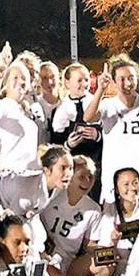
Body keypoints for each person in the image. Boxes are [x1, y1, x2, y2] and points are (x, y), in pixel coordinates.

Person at [84, 55, 139, 207]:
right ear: (114, 82)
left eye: (131, 77)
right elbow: (88, 117)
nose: (127, 83)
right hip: (115, 175)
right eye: (122, 79)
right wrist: (101, 89)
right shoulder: (109, 105)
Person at [39, 154, 111, 276]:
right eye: (82, 176)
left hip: (67, 263)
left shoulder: (93, 209)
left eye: (91, 177)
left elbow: (89, 246)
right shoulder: (53, 193)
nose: (87, 181)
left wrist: (108, 248)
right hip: (41, 255)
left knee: (108, 259)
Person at [0, 44, 46, 173]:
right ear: (6, 82)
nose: (20, 81)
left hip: (31, 174)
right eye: (15, 77)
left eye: (24, 78)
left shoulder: (26, 109)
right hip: (11, 176)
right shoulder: (5, 105)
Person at [52, 63, 102, 200]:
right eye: (79, 80)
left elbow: (109, 132)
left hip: (96, 164)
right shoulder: (61, 110)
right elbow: (55, 142)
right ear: (67, 83)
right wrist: (68, 145)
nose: (84, 84)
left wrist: (97, 136)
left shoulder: (96, 103)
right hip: (72, 167)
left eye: (86, 79)